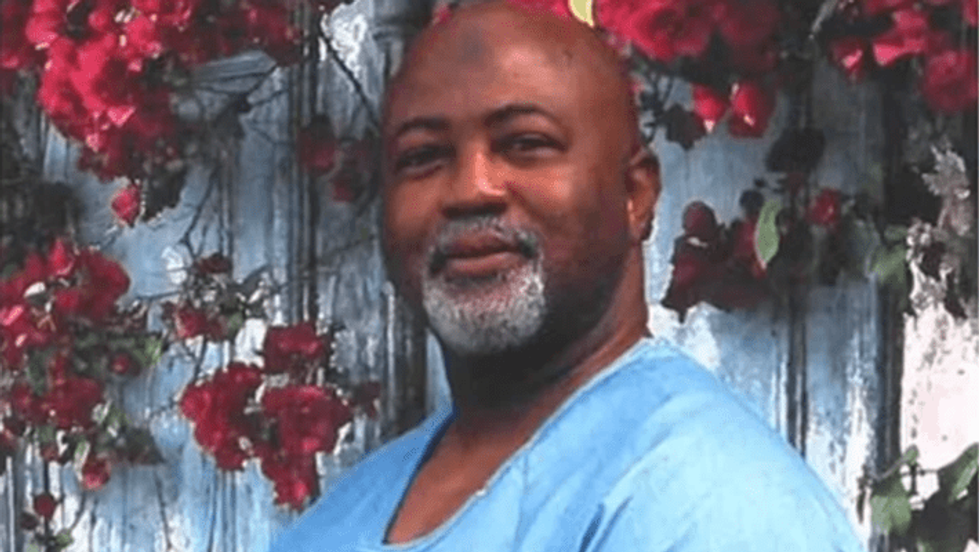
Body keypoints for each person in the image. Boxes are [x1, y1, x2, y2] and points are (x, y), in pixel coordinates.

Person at [269, 1, 867, 550]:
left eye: (526, 143)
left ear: (635, 195)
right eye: (423, 156)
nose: (472, 188)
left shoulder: (716, 502)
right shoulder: (341, 515)